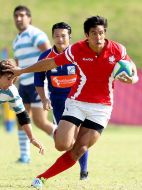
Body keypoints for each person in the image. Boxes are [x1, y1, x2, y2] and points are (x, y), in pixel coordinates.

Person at [5, 15, 139, 189]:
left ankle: (41, 178)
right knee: (62, 145)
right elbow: (50, 63)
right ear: (86, 35)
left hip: (101, 108)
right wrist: (22, 70)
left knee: (80, 148)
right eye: (93, 33)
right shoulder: (76, 50)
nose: (98, 37)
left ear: (105, 33)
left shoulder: (118, 50)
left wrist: (132, 79)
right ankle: (66, 139)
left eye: (101, 33)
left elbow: (132, 69)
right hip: (77, 103)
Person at [34, 22, 89, 180]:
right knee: (65, 143)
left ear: (69, 37)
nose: (60, 39)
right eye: (57, 36)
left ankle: (84, 171)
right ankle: (59, 134)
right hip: (58, 103)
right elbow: (38, 81)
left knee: (80, 137)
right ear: (53, 37)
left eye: (63, 35)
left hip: (78, 100)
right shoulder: (45, 57)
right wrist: (44, 99)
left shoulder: (79, 54)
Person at [12, 5, 54, 164]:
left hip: (38, 83)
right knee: (21, 119)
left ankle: (69, 141)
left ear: (29, 18)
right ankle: (24, 156)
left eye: (22, 15)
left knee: (40, 121)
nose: (19, 18)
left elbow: (50, 54)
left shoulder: (35, 34)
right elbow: (17, 64)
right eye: (16, 16)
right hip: (24, 85)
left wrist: (46, 77)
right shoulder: (16, 40)